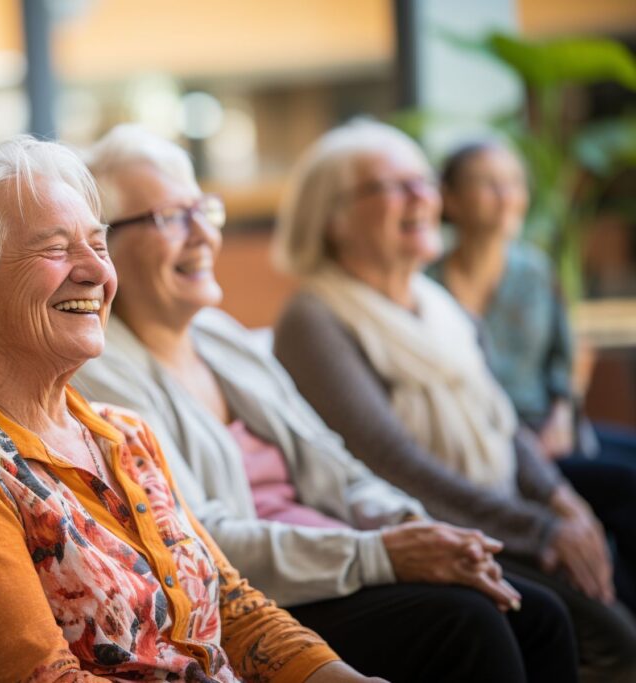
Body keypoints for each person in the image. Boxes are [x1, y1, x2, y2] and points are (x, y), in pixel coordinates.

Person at [72, 123, 578, 683]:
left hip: (341, 558)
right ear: (104, 244)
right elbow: (198, 545)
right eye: (170, 218)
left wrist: (410, 524)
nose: (202, 236)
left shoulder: (222, 337)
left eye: (202, 211)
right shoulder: (99, 373)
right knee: (469, 622)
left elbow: (336, 465)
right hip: (258, 602)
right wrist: (380, 552)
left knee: (540, 615)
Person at [0, 135, 379, 682]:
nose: (96, 272)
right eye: (57, 249)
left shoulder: (124, 433)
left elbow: (238, 614)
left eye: (98, 245)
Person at [272, 118, 636, 681]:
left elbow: (504, 423)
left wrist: (563, 502)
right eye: (395, 186)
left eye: (424, 181)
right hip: (427, 529)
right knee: (607, 635)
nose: (424, 196)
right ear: (335, 219)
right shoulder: (313, 318)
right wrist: (540, 531)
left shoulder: (435, 299)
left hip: (493, 509)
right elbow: (392, 463)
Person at [431, 139, 636, 612]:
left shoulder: (535, 271)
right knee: (623, 484)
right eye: (489, 184)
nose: (507, 196)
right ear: (452, 199)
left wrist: (562, 415)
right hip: (491, 448)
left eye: (514, 184)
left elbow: (561, 363)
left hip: (553, 433)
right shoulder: (428, 285)